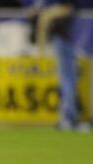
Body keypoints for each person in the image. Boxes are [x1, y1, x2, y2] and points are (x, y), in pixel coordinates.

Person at [35, 0, 88, 131]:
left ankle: (68, 118)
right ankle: (69, 117)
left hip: (65, 39)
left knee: (67, 81)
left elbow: (67, 9)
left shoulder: (60, 8)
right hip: (63, 39)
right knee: (67, 80)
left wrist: (49, 14)